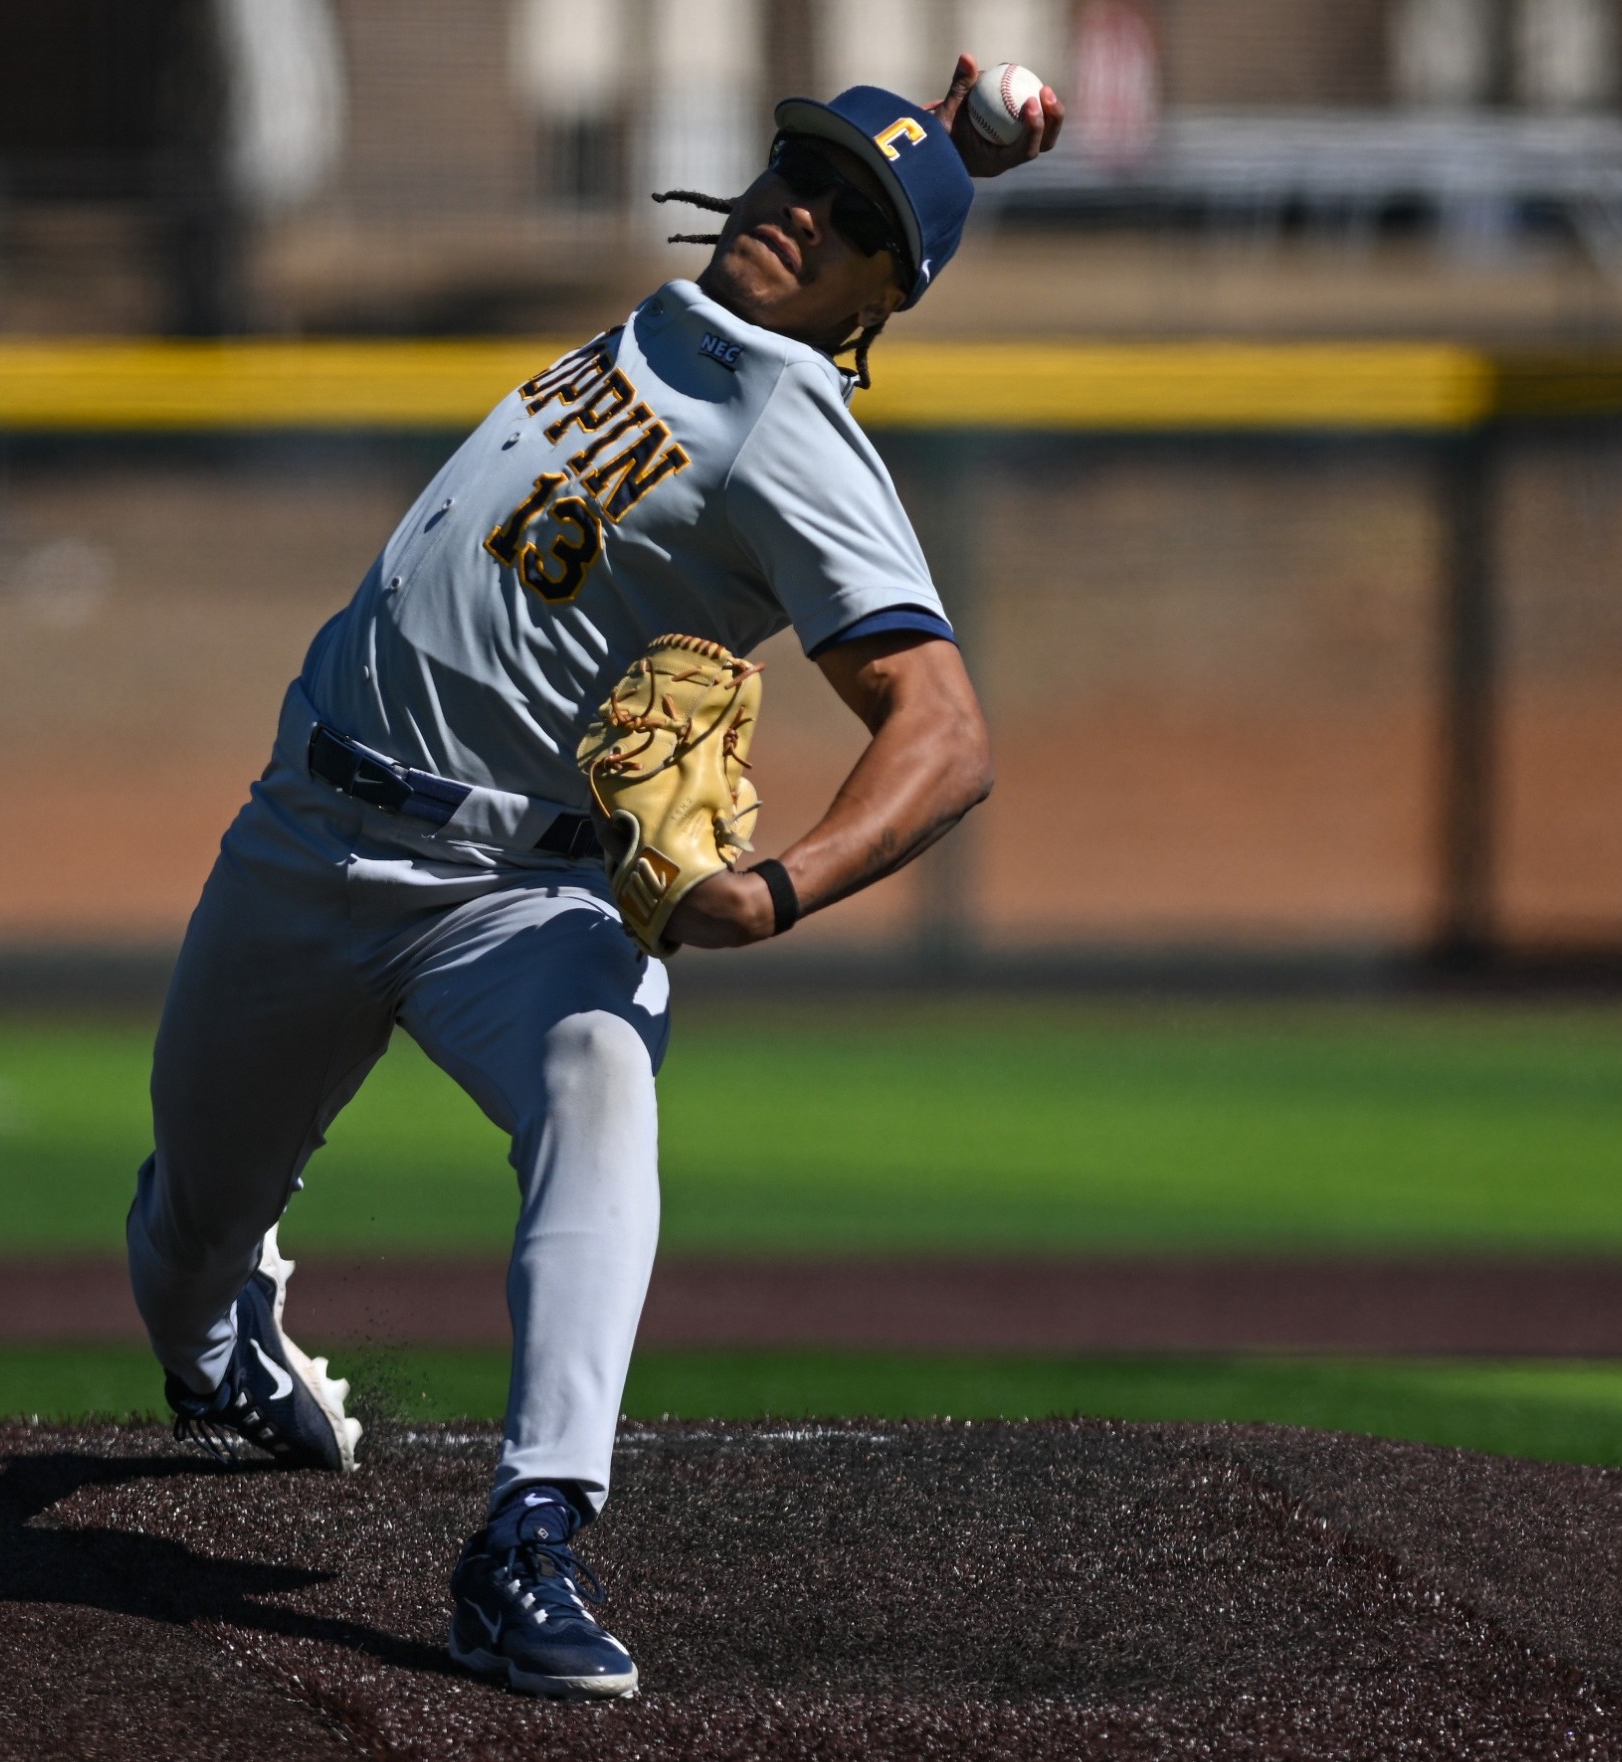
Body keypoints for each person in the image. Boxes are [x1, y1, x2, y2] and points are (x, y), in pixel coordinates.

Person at [121, 61, 1060, 1699]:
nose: (799, 212)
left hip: (512, 892)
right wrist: (944, 142)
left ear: (874, 296)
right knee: (187, 1226)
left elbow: (947, 731)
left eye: (848, 221)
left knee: (601, 1092)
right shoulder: (689, 323)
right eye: (794, 172)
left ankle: (530, 1533)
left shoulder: (787, 422)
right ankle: (225, 1344)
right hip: (301, 836)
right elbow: (875, 178)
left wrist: (774, 890)